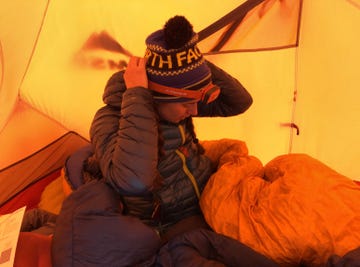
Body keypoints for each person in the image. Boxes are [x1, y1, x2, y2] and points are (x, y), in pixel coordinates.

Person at [89, 15, 253, 239]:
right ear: (158, 97)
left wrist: (193, 64)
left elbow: (239, 102)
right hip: (170, 225)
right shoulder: (108, 119)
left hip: (209, 201)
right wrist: (138, 95)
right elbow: (133, 181)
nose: (195, 111)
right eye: (187, 103)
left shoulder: (175, 107)